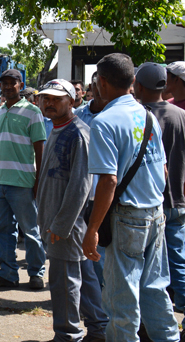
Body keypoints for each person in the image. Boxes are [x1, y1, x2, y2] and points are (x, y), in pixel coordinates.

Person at [82, 53, 179, 341]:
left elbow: (108, 180)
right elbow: (162, 169)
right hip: (155, 213)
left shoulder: (105, 121)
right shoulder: (147, 114)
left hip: (127, 218)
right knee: (154, 291)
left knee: (120, 302)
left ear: (100, 83)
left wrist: (93, 229)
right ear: (133, 81)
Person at [36, 79, 107, 342]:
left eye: (57, 98)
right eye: (46, 98)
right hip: (58, 223)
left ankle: (68, 335)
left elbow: (81, 186)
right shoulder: (56, 128)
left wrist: (61, 224)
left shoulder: (78, 133)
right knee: (84, 279)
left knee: (64, 284)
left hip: (66, 226)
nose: (50, 103)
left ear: (73, 101)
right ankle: (99, 327)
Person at [0, 69, 47, 290]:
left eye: (12, 83)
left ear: (21, 85)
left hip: (23, 182)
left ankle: (36, 272)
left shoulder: (33, 112)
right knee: (3, 230)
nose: (8, 87)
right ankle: (8, 273)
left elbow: (40, 148)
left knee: (30, 230)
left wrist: (39, 180)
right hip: (0, 181)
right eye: (4, 83)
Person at [134, 62, 185, 327]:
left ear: (139, 86)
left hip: (151, 203)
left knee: (150, 269)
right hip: (178, 198)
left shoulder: (141, 116)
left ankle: (148, 323)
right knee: (177, 262)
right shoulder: (179, 114)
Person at [74, 72, 109, 286]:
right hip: (82, 196)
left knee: (103, 254)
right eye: (97, 84)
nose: (101, 88)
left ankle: (105, 303)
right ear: (91, 86)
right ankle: (93, 303)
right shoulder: (78, 115)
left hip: (106, 195)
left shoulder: (117, 117)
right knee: (85, 255)